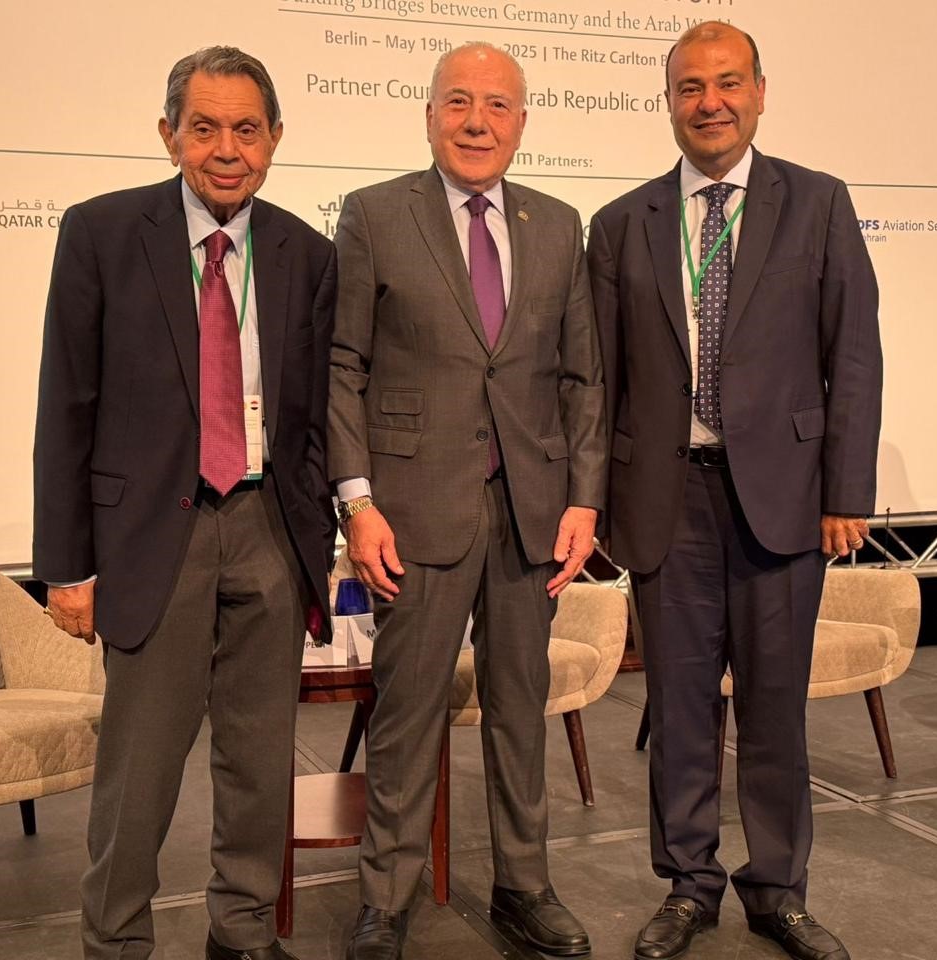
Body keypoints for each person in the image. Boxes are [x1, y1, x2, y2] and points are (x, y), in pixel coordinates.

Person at [33, 46, 336, 960]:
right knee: (140, 764)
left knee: (259, 756)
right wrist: (66, 566)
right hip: (150, 534)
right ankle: (116, 939)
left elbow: (315, 413)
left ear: (275, 138)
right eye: (205, 128)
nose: (227, 149)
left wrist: (320, 535)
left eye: (246, 129)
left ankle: (241, 929)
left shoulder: (307, 253)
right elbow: (66, 405)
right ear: (169, 135)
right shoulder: (100, 232)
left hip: (269, 528)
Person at [588, 21, 881, 960]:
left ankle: (779, 889)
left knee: (774, 706)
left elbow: (854, 355)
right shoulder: (621, 222)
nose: (708, 102)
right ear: (668, 102)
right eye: (689, 87)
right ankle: (688, 885)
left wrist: (848, 491)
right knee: (678, 707)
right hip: (664, 499)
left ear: (759, 92)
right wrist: (594, 502)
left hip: (785, 499)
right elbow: (599, 381)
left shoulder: (818, 203)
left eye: (726, 83)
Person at [327, 41, 607, 960]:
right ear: (429, 116)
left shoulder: (558, 224)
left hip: (533, 511)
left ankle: (525, 886)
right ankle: (386, 899)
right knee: (407, 712)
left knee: (521, 709)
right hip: (412, 509)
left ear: (522, 122)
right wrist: (357, 502)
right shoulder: (374, 214)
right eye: (458, 102)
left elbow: (581, 377)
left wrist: (584, 500)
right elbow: (344, 366)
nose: (476, 122)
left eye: (496, 105)